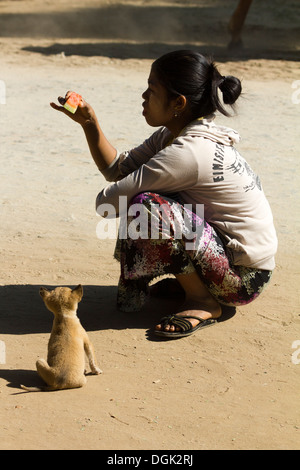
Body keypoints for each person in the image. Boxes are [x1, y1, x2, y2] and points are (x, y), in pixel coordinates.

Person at [51, 50, 277, 339]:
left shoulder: (188, 153)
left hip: (243, 280)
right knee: (146, 196)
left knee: (146, 205)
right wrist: (89, 123)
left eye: (152, 90)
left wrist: (140, 186)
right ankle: (194, 285)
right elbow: (119, 169)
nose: (143, 96)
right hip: (231, 260)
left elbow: (107, 204)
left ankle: (204, 301)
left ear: (178, 103)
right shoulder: (176, 133)